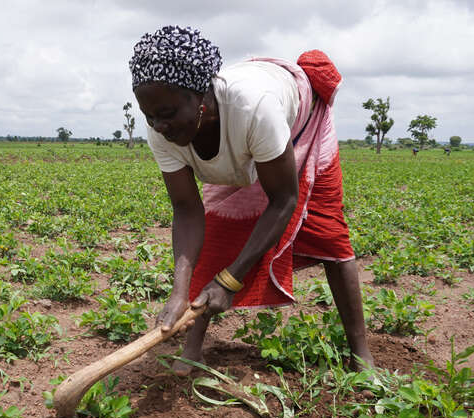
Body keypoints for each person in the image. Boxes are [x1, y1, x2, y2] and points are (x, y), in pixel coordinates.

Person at [128, 26, 374, 373]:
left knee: (328, 234)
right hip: (246, 144)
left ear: (200, 96)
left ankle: (361, 352)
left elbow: (284, 200)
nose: (158, 126)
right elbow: (186, 209)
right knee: (217, 235)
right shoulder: (162, 132)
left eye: (167, 114)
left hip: (301, 124)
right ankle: (192, 348)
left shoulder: (254, 109)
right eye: (149, 116)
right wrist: (178, 292)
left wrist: (230, 280)